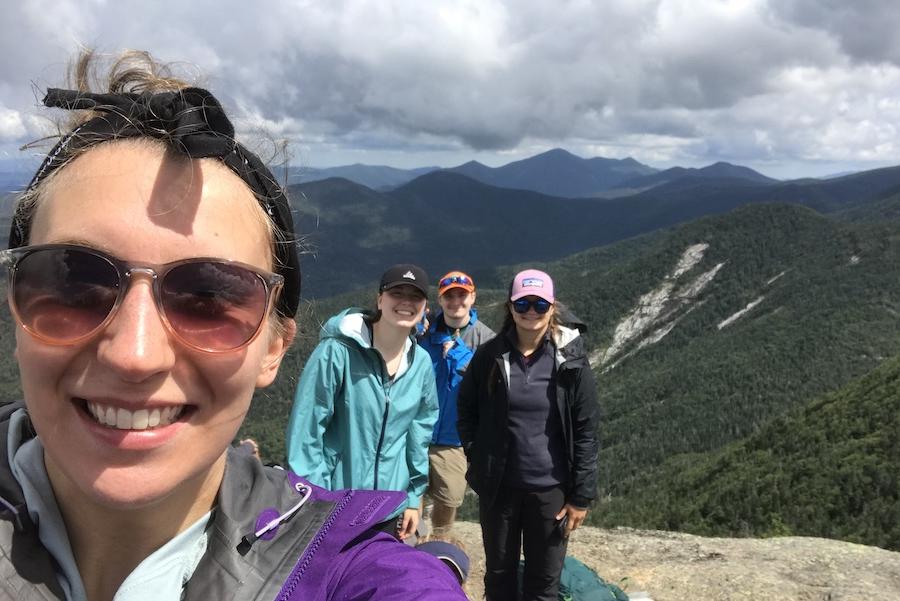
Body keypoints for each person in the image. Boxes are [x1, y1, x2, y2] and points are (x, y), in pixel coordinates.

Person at [0, 50, 465, 600]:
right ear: (16, 306)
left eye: (209, 297)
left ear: (275, 346)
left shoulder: (352, 573)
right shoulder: (343, 354)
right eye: (74, 283)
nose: (135, 353)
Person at [457, 269, 600, 601]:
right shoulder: (490, 356)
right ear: (510, 308)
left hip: (551, 491)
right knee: (498, 575)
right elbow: (466, 410)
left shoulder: (571, 360)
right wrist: (477, 454)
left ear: (552, 307)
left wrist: (581, 496)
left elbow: (586, 429)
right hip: (499, 488)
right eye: (523, 305)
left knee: (544, 582)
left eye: (539, 304)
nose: (531, 312)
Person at [286, 264, 438, 542]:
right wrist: (318, 495)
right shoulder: (337, 351)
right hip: (336, 500)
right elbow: (307, 429)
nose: (406, 302)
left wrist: (414, 496)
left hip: (390, 505)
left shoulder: (422, 364)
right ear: (380, 299)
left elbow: (420, 432)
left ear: (425, 307)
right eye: (397, 293)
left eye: (415, 296)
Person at [418, 270, 495, 530]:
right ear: (439, 301)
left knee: (448, 499)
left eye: (462, 296)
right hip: (415, 431)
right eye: (448, 297)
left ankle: (439, 544)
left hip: (454, 438)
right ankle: (407, 546)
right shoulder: (423, 332)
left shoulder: (487, 340)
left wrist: (463, 357)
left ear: (473, 298)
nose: (455, 302)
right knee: (409, 495)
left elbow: (495, 386)